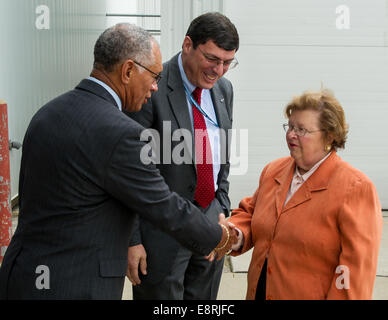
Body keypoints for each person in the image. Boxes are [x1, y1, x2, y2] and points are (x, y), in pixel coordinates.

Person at [0, 23, 236, 300]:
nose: (154, 87)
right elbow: (162, 204)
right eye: (153, 77)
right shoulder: (121, 133)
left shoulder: (47, 114)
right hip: (77, 283)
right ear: (127, 71)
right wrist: (220, 237)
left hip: (24, 274)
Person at [125, 12, 239, 300]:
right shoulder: (151, 87)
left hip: (210, 226)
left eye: (228, 62)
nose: (219, 70)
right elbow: (130, 171)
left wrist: (221, 205)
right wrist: (132, 240)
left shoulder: (224, 90)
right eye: (212, 59)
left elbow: (221, 156)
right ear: (188, 45)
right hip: (161, 235)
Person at [228, 89, 383, 300]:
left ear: (329, 136)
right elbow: (251, 213)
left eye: (302, 130)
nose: (291, 134)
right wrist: (233, 234)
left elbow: (355, 276)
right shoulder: (273, 170)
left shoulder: (355, 188)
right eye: (290, 126)